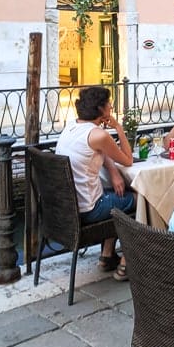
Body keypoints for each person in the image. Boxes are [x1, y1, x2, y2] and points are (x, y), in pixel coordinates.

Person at [55, 86, 134, 279]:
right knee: (140, 199)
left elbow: (100, 151)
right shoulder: (99, 135)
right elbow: (128, 159)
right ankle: (127, 263)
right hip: (90, 209)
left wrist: (114, 172)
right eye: (109, 103)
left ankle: (107, 256)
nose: (111, 106)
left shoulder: (72, 127)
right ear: (100, 109)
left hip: (67, 210)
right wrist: (118, 127)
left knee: (116, 193)